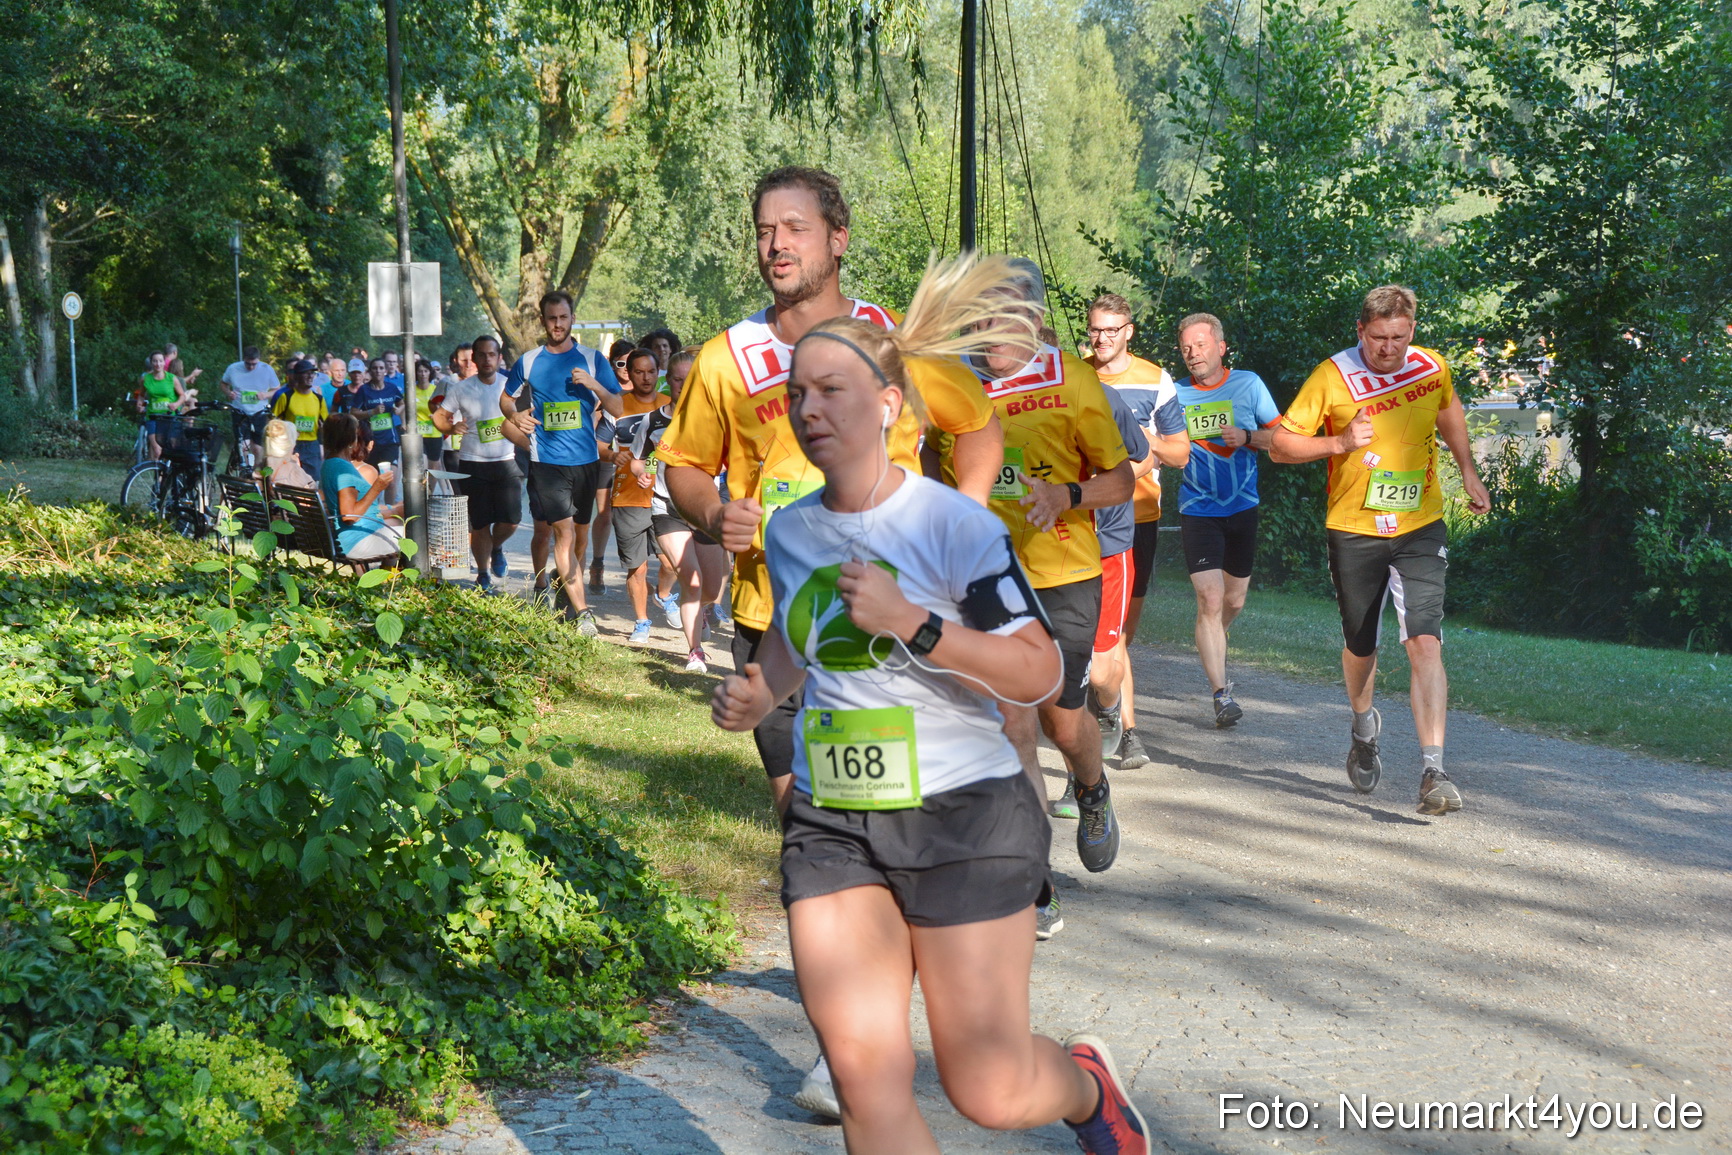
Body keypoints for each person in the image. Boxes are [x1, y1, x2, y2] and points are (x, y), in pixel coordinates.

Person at [709, 251, 1148, 1155]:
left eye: (834, 390)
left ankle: (1085, 1088)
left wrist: (916, 623)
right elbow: (804, 633)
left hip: (965, 817)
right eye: (799, 392)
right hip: (837, 820)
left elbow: (1032, 672)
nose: (810, 409)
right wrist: (763, 689)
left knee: (987, 1087)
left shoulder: (957, 526)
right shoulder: (791, 532)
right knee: (866, 1087)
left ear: (889, 405)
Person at [659, 167, 1003, 1119]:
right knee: (814, 839)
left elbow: (978, 430)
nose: (778, 245)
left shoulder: (890, 343)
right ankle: (850, 1039)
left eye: (797, 228)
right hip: (776, 627)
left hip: (886, 635)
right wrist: (716, 509)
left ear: (837, 238)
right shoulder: (727, 357)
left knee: (874, 831)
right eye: (765, 229)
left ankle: (865, 1037)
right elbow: (683, 466)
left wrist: (958, 519)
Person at [1271, 284, 1492, 815]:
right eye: (1378, 338)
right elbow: (1280, 445)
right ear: (1360, 331)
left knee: (1425, 642)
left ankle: (1433, 771)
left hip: (1421, 523)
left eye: (1398, 337)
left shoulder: (1431, 367)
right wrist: (1340, 443)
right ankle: (1364, 724)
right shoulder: (1334, 376)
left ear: (1411, 330)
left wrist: (1468, 470)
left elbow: (1450, 410)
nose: (1388, 348)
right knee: (1360, 643)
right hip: (1354, 526)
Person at [1081, 294, 1191, 771]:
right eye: (1094, 330)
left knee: (1121, 633)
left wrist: (1141, 442)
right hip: (1083, 520)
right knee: (1097, 635)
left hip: (1137, 517)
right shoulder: (1074, 373)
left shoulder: (1155, 379)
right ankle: (1126, 730)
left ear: (1129, 331)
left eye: (1111, 330)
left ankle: (1112, 717)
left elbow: (1181, 453)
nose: (1101, 339)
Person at [1172, 312, 1284, 726]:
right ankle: (1221, 695)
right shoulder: (1175, 393)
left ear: (1220, 347)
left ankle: (1211, 635)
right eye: (1186, 347)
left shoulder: (1249, 384)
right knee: (1211, 598)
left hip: (1242, 507)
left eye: (1200, 345)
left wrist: (1249, 437)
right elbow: (1163, 442)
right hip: (1197, 509)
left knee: (1233, 601)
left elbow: (1283, 437)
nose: (1192, 354)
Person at [497, 291, 624, 630]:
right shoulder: (529, 361)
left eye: (563, 318)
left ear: (572, 318)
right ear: (543, 320)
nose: (557, 324)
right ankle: (583, 614)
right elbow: (505, 401)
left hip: (585, 462)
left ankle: (567, 591)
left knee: (580, 539)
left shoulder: (593, 359)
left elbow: (620, 409)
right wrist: (515, 415)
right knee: (564, 535)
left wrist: (594, 384)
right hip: (547, 462)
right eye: (551, 318)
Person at [631, 350, 728, 672]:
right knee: (693, 580)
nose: (683, 386)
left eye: (690, 381)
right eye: (677, 380)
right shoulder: (653, 422)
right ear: (667, 380)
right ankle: (695, 652)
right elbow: (637, 458)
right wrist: (641, 471)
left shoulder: (714, 419)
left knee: (712, 589)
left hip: (705, 510)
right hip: (666, 507)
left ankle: (698, 612)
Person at [433, 335, 524, 595]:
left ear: (499, 357)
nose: (486, 359)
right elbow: (438, 416)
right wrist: (451, 426)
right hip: (473, 462)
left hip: (506, 461)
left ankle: (496, 548)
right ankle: (483, 572)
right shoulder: (461, 388)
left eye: (491, 354)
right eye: (481, 355)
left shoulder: (510, 386)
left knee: (513, 519)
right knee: (480, 523)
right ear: (474, 359)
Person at [605, 348, 670, 643]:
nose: (646, 377)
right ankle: (642, 621)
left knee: (671, 562)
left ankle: (664, 594)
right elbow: (599, 445)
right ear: (628, 374)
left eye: (651, 371)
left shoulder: (671, 405)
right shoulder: (617, 406)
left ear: (659, 372)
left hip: (666, 494)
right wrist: (611, 455)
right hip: (628, 496)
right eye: (639, 372)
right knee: (638, 567)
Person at [588, 337, 638, 593]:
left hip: (639, 461)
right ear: (612, 365)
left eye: (632, 362)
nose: (627, 368)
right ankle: (597, 565)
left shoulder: (649, 388)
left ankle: (640, 573)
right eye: (621, 363)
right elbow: (595, 424)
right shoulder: (606, 390)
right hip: (608, 456)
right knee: (605, 513)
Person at [319, 412, 403, 563]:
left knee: (405, 523)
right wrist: (377, 488)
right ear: (351, 439)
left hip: (357, 536)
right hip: (359, 541)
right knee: (421, 533)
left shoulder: (329, 463)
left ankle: (387, 581)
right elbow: (349, 516)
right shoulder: (343, 468)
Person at [221, 345, 282, 467]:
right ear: (244, 359)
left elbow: (277, 389)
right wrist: (229, 393)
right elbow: (223, 384)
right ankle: (244, 470)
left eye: (254, 364)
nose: (251, 367)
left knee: (257, 448)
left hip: (258, 412)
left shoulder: (267, 369)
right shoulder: (233, 368)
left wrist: (265, 395)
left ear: (258, 360)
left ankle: (256, 472)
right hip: (239, 410)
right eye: (248, 364)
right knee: (243, 446)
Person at [357, 357, 407, 504]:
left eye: (381, 368)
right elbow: (353, 412)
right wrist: (372, 412)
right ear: (370, 371)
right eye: (375, 368)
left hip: (390, 441)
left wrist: (399, 411)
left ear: (385, 371)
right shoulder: (364, 390)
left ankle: (391, 512)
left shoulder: (391, 388)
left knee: (390, 481)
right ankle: (372, 511)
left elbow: (402, 402)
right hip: (370, 443)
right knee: (371, 482)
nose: (378, 371)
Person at [269, 359, 328, 474]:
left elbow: (326, 425)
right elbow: (272, 421)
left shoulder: (319, 399)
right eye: (306, 373)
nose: (310, 376)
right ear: (297, 376)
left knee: (312, 481)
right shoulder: (286, 397)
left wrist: (322, 443)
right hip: (291, 445)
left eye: (312, 373)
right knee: (289, 479)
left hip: (312, 445)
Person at [136, 351, 190, 461]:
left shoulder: (171, 378)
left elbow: (182, 396)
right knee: (157, 450)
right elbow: (141, 395)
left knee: (171, 448)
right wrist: (139, 403)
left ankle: (170, 474)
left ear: (164, 362)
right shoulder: (146, 379)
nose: (158, 364)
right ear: (151, 363)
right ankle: (158, 478)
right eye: (155, 361)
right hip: (153, 417)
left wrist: (176, 404)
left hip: (169, 417)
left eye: (160, 361)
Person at [259, 418, 316, 490]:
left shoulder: (260, 467)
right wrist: (296, 467)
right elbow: (310, 494)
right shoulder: (293, 471)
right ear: (290, 444)